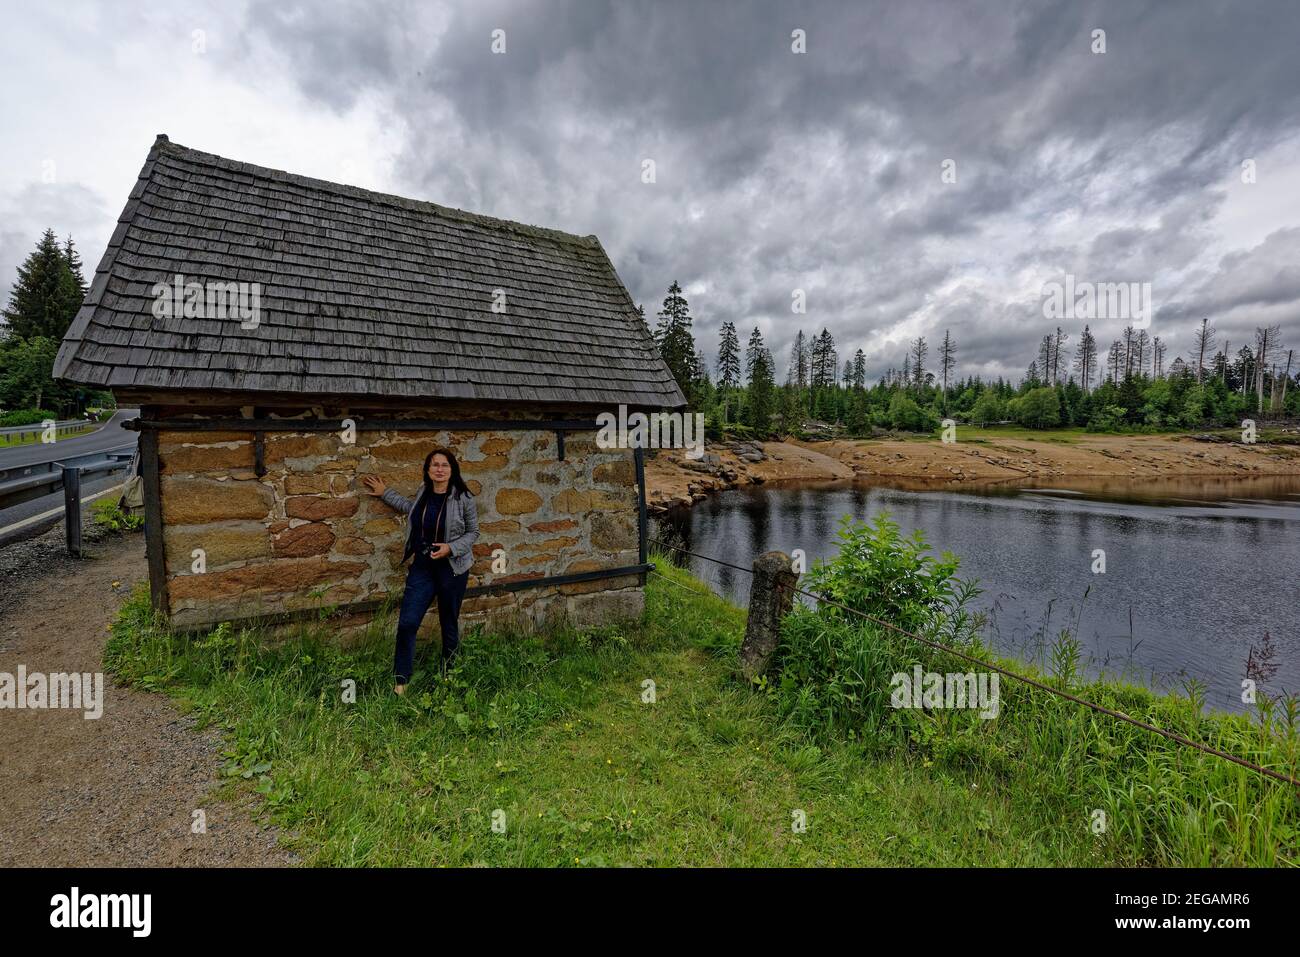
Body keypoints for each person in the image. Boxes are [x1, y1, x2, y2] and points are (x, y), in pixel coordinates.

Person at [361, 448, 479, 695]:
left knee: (448, 623)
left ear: (452, 469)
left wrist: (451, 548)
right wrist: (385, 494)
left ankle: (450, 675)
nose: (439, 469)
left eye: (444, 465)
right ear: (427, 469)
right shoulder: (424, 492)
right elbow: (409, 507)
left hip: (452, 569)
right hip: (423, 568)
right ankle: (401, 682)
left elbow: (473, 532)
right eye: (434, 464)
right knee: (408, 623)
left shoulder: (463, 497)